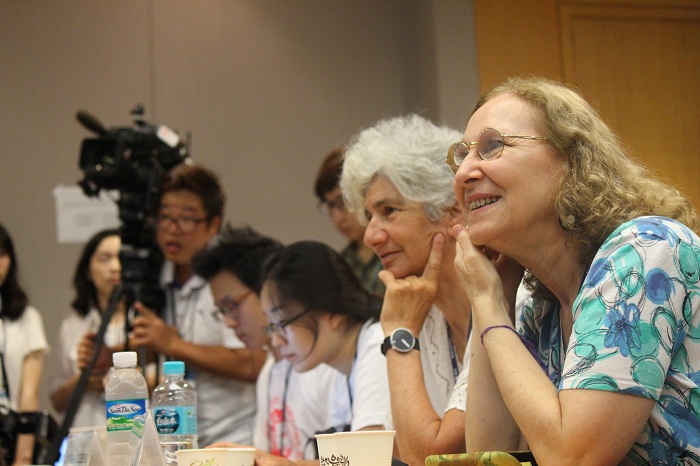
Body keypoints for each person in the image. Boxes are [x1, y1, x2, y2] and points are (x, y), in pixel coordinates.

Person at [449, 76, 700, 465]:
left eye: (491, 146)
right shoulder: (541, 306)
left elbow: (573, 459)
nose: (464, 172)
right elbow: (491, 455)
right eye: (461, 155)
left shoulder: (646, 248)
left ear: (571, 159)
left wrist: (487, 303)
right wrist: (492, 296)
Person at [340, 114, 471, 465]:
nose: (371, 236)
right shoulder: (418, 310)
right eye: (369, 216)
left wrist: (400, 335)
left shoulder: (510, 301)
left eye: (389, 211)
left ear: (452, 209)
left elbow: (427, 456)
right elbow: (385, 454)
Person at [129, 164, 266, 446]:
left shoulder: (226, 283)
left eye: (186, 219)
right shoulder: (153, 282)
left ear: (213, 224)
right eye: (164, 217)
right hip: (178, 439)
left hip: (235, 438)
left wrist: (174, 345)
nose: (172, 229)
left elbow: (254, 362)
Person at [193, 225, 347, 462]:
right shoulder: (269, 368)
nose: (229, 322)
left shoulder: (323, 366)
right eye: (221, 311)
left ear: (269, 292)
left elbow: (356, 461)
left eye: (232, 306)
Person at [255, 240, 390, 465]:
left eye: (282, 323)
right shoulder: (338, 363)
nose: (276, 340)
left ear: (332, 312)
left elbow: (369, 461)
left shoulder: (378, 345)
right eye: (271, 325)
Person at [51, 228, 127, 428]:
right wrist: (84, 381)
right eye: (105, 258)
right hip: (85, 437)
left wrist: (121, 378)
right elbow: (57, 401)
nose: (115, 267)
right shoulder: (73, 325)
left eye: (121, 257)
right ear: (88, 270)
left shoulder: (146, 320)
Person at [0, 223, 49, 466]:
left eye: (2, 254)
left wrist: (23, 456)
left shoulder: (26, 318)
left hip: (9, 432)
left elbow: (29, 394)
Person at [314, 147, 384, 296]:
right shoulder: (339, 266)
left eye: (342, 202)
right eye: (329, 206)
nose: (337, 217)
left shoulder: (396, 247)